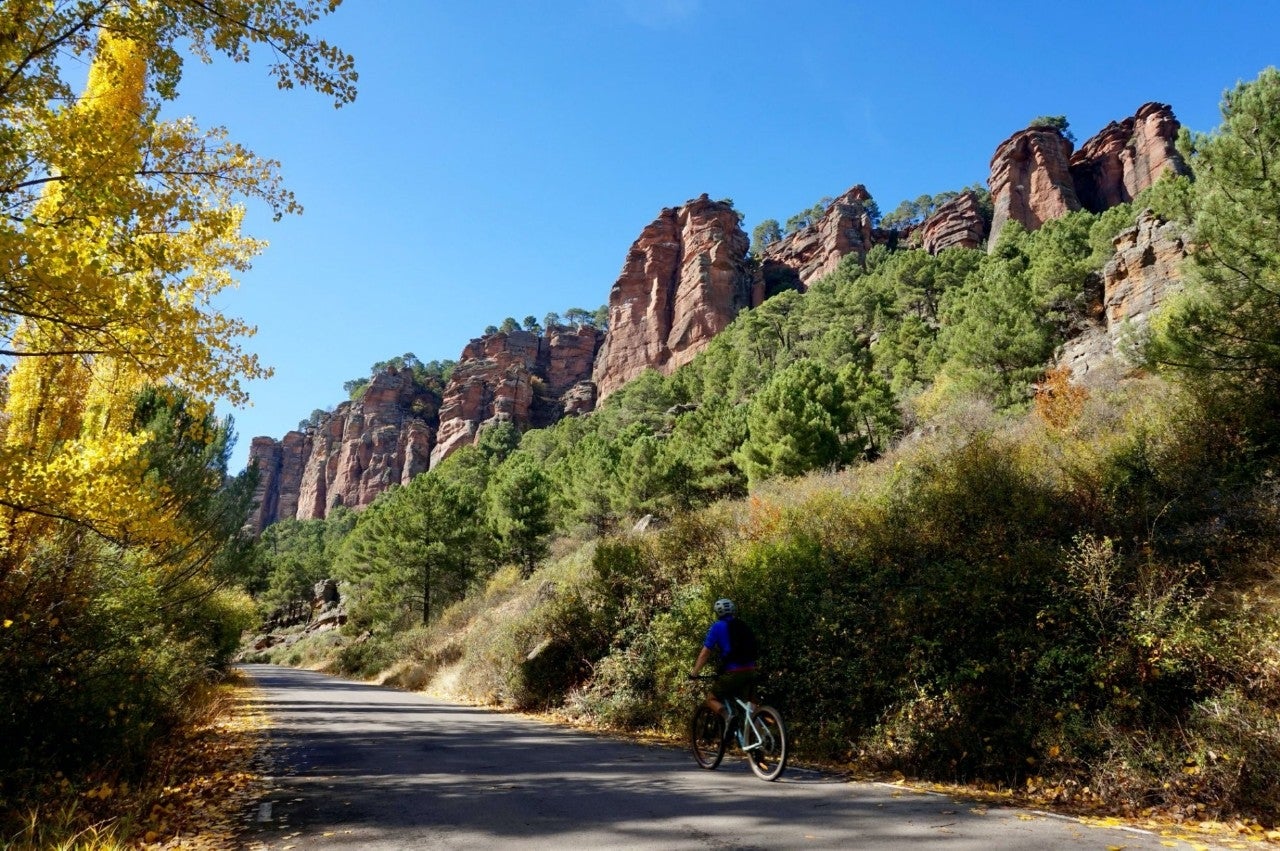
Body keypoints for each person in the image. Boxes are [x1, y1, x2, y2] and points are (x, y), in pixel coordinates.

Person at [689, 597, 758, 722]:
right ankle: (760, 735)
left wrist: (694, 673)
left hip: (734, 673)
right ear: (733, 611)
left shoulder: (717, 627)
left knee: (711, 698)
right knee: (751, 709)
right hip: (751, 669)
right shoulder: (742, 625)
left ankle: (728, 717)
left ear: (717, 612)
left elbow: (705, 653)